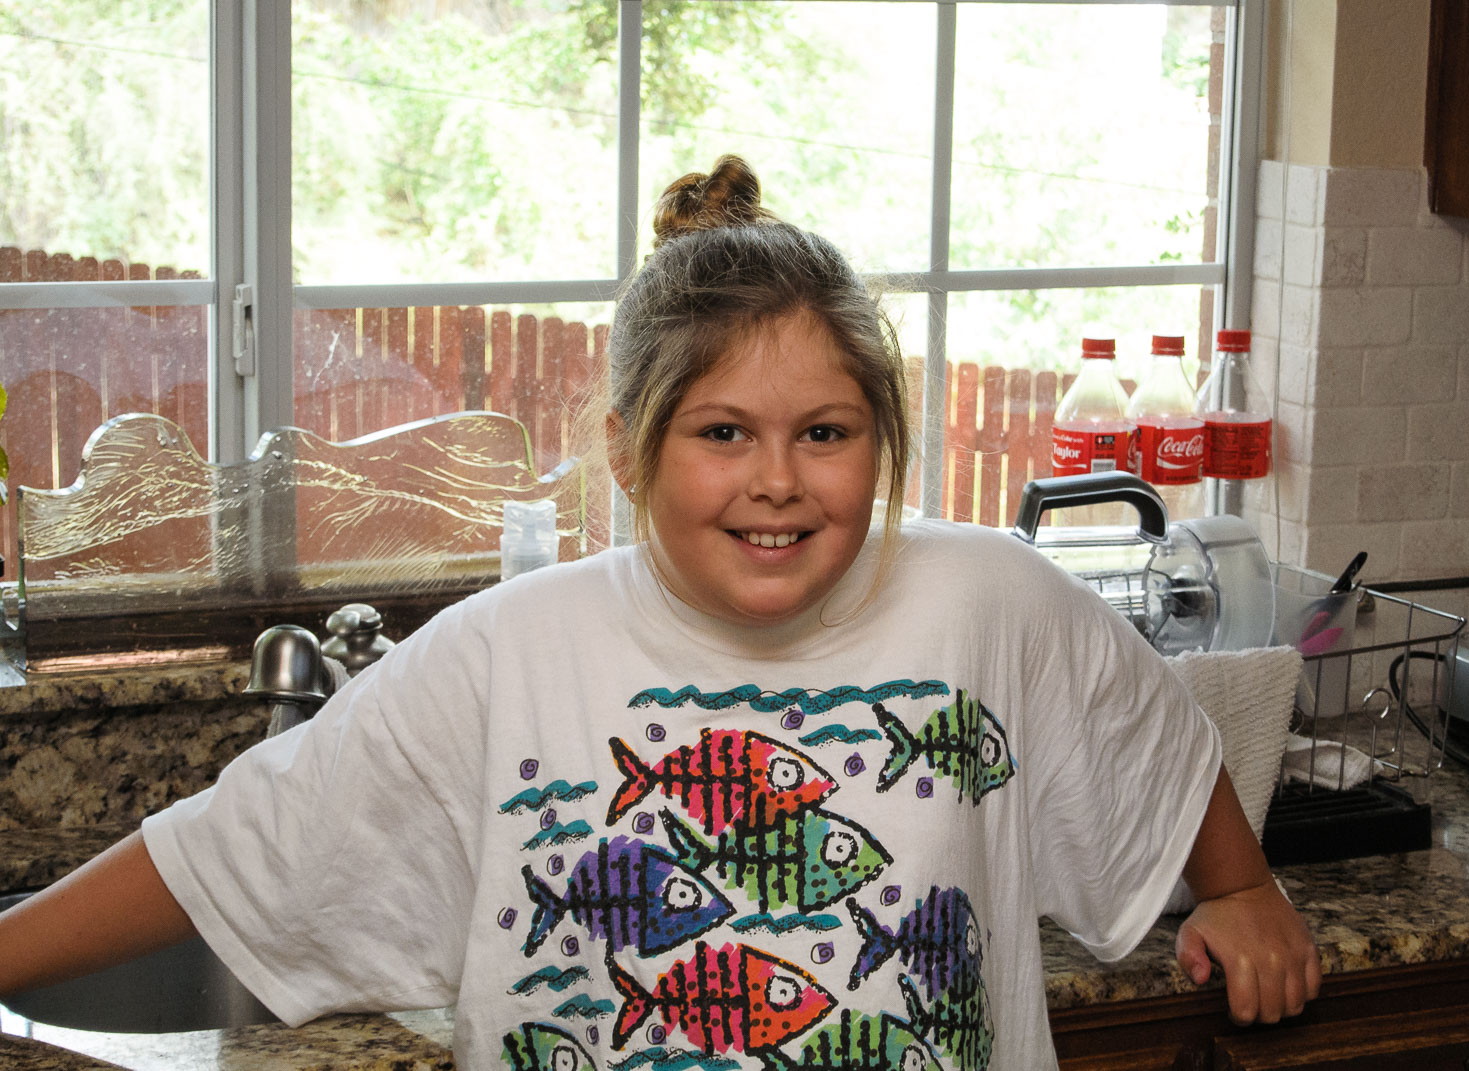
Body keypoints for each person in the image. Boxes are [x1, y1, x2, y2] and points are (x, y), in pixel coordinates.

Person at [0, 155, 1319, 1069]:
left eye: (826, 432)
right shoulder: (505, 653)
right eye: (722, 432)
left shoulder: (992, 599)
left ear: (882, 442)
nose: (778, 481)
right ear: (629, 453)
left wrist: (1240, 885)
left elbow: (1151, 731)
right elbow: (231, 846)